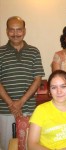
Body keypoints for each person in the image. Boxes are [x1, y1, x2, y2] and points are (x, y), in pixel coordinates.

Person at [0, 16, 45, 150]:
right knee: (6, 145)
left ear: (24, 31)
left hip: (29, 109)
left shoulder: (34, 51)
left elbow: (37, 79)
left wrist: (21, 102)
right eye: (11, 30)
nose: (15, 34)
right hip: (5, 110)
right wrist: (11, 104)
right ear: (7, 31)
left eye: (19, 30)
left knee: (28, 145)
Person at [28, 70, 66, 150]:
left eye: (63, 86)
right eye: (54, 87)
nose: (59, 91)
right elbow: (32, 145)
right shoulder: (40, 110)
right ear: (49, 90)